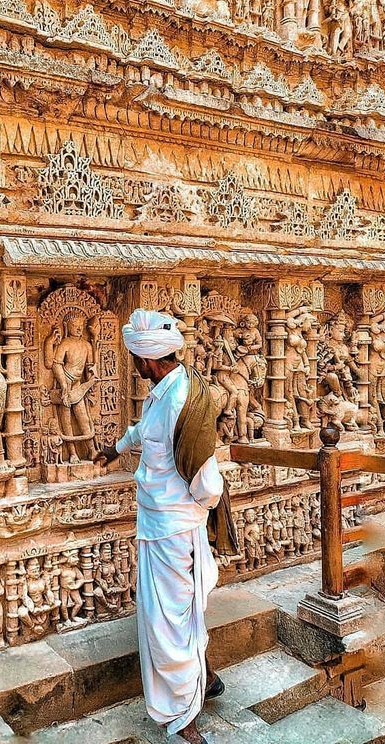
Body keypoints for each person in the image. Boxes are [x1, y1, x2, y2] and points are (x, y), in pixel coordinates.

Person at [102, 309, 238, 744]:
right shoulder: (165, 390)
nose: (134, 366)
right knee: (181, 613)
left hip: (172, 528)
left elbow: (206, 480)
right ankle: (205, 676)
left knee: (167, 625)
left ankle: (183, 719)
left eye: (135, 359)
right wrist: (118, 447)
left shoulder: (185, 402)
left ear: (148, 359)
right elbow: (148, 430)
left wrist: (192, 509)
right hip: (159, 523)